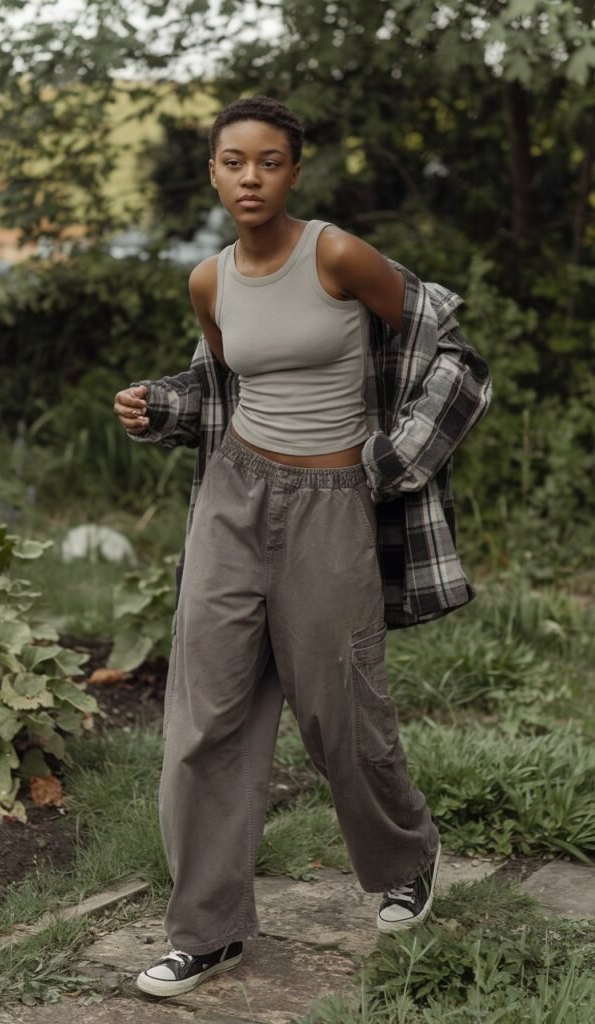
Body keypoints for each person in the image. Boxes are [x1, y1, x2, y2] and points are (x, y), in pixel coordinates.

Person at [113, 95, 491, 1000]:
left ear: (294, 171)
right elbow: (222, 382)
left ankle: (406, 856)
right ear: (213, 171)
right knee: (204, 716)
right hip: (233, 499)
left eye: (270, 161)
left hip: (334, 505)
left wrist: (397, 458)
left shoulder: (337, 254)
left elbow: (454, 355)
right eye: (234, 161)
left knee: (338, 709)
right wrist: (159, 404)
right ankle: (205, 931)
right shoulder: (208, 281)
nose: (251, 177)